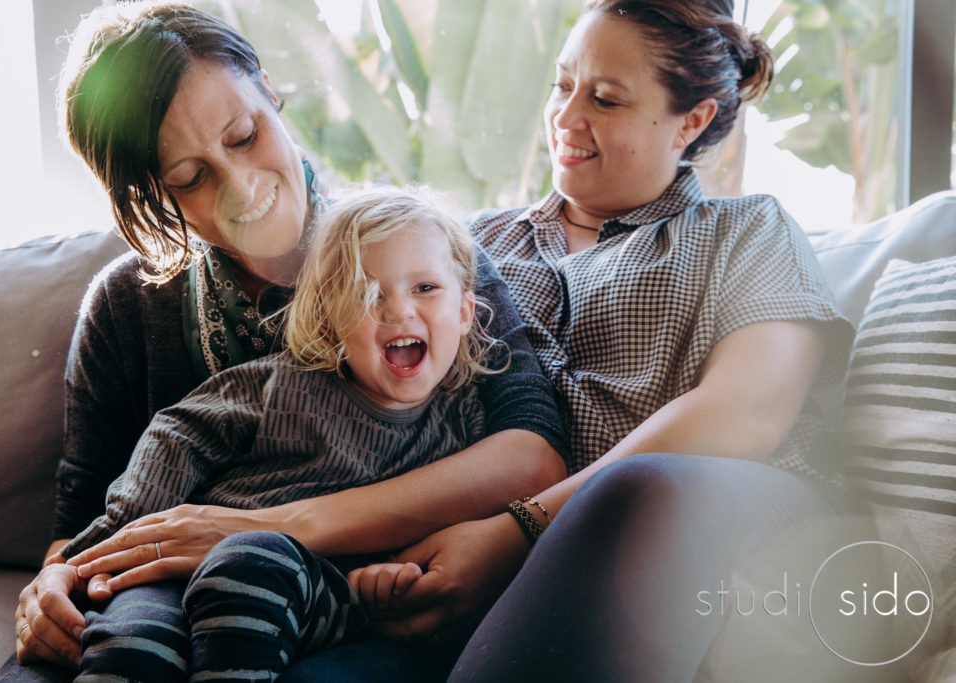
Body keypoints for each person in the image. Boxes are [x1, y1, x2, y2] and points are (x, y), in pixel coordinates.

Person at [0, 3, 565, 681]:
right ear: (154, 194)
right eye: (189, 178)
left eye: (243, 135)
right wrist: (52, 584)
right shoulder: (128, 307)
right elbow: (87, 508)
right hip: (148, 606)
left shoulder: (417, 252)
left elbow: (531, 454)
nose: (241, 187)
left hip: (347, 610)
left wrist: (279, 524)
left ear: (270, 91)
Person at [355, 1, 891, 680]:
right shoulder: (469, 247)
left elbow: (745, 415)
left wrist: (516, 528)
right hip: (502, 582)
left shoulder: (748, 232)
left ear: (691, 121)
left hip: (724, 535)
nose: (566, 116)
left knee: (646, 492)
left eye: (605, 99)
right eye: (562, 85)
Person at [47, 184, 550, 681]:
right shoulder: (281, 383)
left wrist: (394, 574)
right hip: (177, 572)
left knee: (250, 563)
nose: (398, 310)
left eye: (425, 288)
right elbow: (178, 434)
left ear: (465, 311)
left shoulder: (466, 425)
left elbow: (450, 527)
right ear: (331, 317)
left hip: (314, 597)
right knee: (132, 640)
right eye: (367, 292)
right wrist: (107, 541)